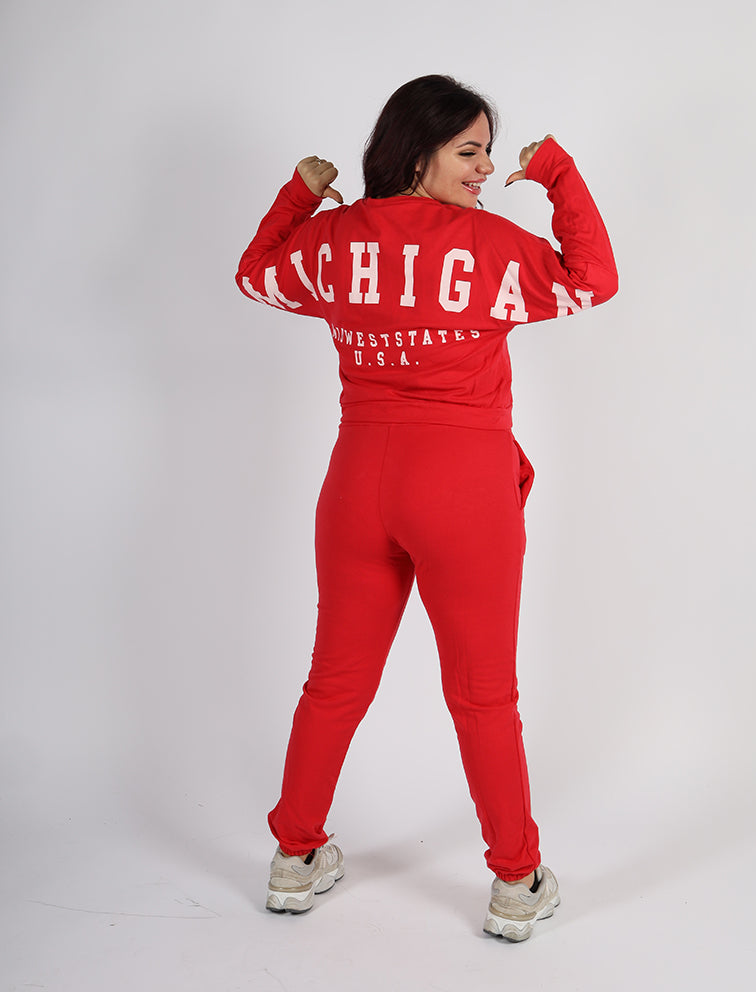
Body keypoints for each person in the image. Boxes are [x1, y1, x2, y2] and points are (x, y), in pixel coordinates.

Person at [235, 74, 617, 942]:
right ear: (417, 154)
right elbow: (594, 278)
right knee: (484, 695)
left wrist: (298, 195)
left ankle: (295, 855)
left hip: (358, 480)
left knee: (334, 680)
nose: (484, 168)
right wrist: (556, 174)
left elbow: (255, 275)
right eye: (469, 150)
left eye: (488, 152)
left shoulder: (335, 240)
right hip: (462, 484)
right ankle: (516, 879)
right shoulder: (491, 246)